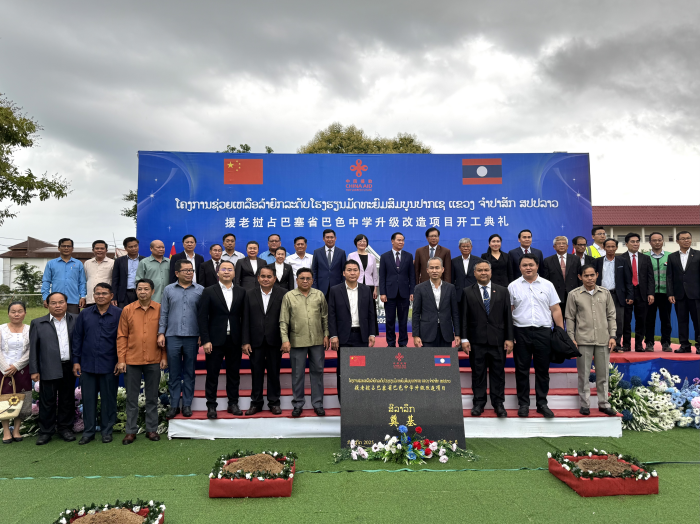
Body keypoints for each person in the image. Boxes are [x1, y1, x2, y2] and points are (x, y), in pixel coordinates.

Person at [508, 254, 564, 418]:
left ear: (537, 266)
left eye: (531, 265)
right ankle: (523, 404)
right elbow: (509, 312)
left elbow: (556, 309)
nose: (528, 268)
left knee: (542, 370)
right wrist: (510, 335)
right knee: (521, 370)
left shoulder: (547, 285)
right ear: (520, 268)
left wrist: (560, 332)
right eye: (524, 265)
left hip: (543, 332)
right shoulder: (513, 286)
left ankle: (542, 403)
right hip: (521, 332)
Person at [116, 279, 167, 445]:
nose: (142, 292)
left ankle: (152, 429)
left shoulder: (160, 309)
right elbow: (122, 336)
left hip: (154, 359)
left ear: (153, 291)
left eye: (146, 289)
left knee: (152, 397)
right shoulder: (127, 310)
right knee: (132, 398)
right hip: (132, 360)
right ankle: (130, 431)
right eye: (139, 289)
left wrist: (164, 357)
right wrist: (121, 360)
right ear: (136, 291)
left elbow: (165, 335)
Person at [460, 260, 513, 417]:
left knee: (498, 373)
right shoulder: (467, 291)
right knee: (478, 373)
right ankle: (479, 403)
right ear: (474, 273)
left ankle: (498, 404)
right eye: (480, 270)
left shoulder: (503, 291)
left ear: (491, 272)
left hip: (498, 340)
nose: (483, 273)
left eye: (486, 270)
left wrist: (509, 338)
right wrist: (464, 339)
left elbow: (508, 316)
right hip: (476, 341)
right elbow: (464, 317)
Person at [72, 283, 121, 444]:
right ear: (93, 296)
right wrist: (76, 361)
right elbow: (77, 338)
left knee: (109, 399)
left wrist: (120, 360)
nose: (100, 296)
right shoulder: (85, 314)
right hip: (87, 365)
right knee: (88, 400)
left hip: (110, 365)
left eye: (104, 293)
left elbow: (123, 339)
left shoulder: (119, 314)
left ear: (111, 296)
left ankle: (107, 431)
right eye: (97, 293)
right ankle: (88, 432)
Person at [566, 265, 618, 417]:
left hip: (603, 339)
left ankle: (604, 403)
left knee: (603, 374)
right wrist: (571, 338)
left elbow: (611, 315)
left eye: (592, 275)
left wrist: (613, 336)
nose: (589, 278)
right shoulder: (574, 294)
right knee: (584, 374)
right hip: (583, 340)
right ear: (580, 277)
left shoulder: (605, 293)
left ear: (597, 275)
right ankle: (585, 404)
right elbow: (570, 317)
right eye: (586, 275)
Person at [197, 260, 248, 418]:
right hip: (214, 341)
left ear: (234, 273)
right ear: (218, 272)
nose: (226, 272)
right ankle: (211, 405)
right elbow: (202, 317)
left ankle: (233, 403)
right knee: (212, 374)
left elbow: (245, 318)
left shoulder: (241, 291)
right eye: (223, 269)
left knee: (234, 374)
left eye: (230, 269)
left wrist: (245, 341)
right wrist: (205, 340)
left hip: (234, 340)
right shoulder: (208, 291)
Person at [29, 292, 78, 445]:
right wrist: (34, 370)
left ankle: (65, 428)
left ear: (66, 303)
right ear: (47, 305)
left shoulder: (76, 319)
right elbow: (33, 349)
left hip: (69, 366)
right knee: (47, 400)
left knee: (67, 399)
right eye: (54, 303)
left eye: (61, 302)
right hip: (48, 367)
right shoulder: (38, 323)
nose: (58, 306)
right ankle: (46, 431)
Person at [280, 268, 329, 417]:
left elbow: (325, 317)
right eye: (302, 278)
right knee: (297, 374)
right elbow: (283, 321)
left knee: (318, 372)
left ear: (312, 280)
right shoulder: (289, 296)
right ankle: (298, 404)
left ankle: (318, 404)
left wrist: (326, 334)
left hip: (317, 340)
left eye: (308, 278)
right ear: (297, 280)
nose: (305, 281)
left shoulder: (319, 295)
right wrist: (285, 340)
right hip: (297, 341)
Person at [158, 260, 204, 418]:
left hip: (192, 336)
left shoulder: (200, 290)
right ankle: (174, 405)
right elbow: (164, 312)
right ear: (177, 273)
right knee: (174, 373)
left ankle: (187, 405)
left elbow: (203, 315)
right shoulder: (168, 290)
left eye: (191, 270)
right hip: (173, 336)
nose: (189, 273)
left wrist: (202, 334)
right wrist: (161, 333)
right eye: (186, 270)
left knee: (190, 372)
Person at [328, 260, 377, 403]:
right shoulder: (335, 290)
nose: (352, 273)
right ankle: (343, 401)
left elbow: (371, 313)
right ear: (343, 273)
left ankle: (358, 401)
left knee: (359, 370)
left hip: (361, 336)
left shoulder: (365, 290)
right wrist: (333, 335)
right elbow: (331, 314)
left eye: (355, 270)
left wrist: (372, 333)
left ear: (359, 272)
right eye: (349, 270)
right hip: (343, 336)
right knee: (343, 370)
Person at [242, 266, 286, 415]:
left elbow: (287, 319)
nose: (266, 279)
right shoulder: (249, 294)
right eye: (263, 276)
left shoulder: (283, 294)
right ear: (258, 278)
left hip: (275, 340)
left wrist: (285, 340)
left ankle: (274, 402)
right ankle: (256, 403)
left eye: (269, 276)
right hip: (255, 341)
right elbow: (245, 319)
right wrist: (245, 341)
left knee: (274, 373)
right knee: (256, 373)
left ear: (274, 278)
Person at [594, 238, 633, 351]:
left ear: (616, 247)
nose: (610, 249)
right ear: (604, 247)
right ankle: (601, 343)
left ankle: (616, 343)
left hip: (617, 295)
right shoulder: (597, 262)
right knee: (600, 319)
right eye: (608, 246)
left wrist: (630, 295)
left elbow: (628, 280)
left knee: (618, 320)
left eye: (613, 246)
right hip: (600, 294)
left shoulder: (623, 261)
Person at [412, 258, 460, 348]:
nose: (434, 271)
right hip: (427, 333)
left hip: (446, 333)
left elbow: (455, 313)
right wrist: (416, 335)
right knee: (427, 357)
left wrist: (457, 334)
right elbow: (416, 313)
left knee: (444, 357)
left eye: (437, 268)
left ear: (442, 269)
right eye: (431, 268)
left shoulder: (450, 288)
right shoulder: (419, 288)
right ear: (427, 270)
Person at [1, 302, 31, 443]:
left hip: (23, 370)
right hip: (3, 371)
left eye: (20, 311)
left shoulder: (30, 329)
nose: (16, 314)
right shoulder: (1, 329)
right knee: (4, 399)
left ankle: (17, 429)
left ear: (25, 313)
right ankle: (6, 431)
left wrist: (17, 366)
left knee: (21, 398)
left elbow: (31, 350)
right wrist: (5, 368)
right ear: (8, 313)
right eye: (13, 311)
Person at [379, 232, 415, 347]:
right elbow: (382, 276)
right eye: (399, 240)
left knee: (403, 320)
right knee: (390, 320)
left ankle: (403, 343)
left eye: (403, 240)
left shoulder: (408, 256)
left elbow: (412, 276)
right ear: (392, 241)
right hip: (389, 294)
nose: (401, 242)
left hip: (404, 293)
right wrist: (382, 293)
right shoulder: (385, 256)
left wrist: (412, 291)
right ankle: (391, 343)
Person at [667, 231, 700, 354]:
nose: (686, 240)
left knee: (698, 321)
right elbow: (669, 277)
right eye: (683, 238)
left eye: (688, 238)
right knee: (682, 321)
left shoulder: (698, 254)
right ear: (677, 241)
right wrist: (670, 293)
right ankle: (684, 345)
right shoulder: (672, 257)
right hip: (679, 295)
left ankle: (699, 345)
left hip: (696, 295)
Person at [621, 233, 655, 352]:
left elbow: (650, 277)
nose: (635, 244)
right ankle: (626, 344)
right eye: (632, 241)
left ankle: (639, 344)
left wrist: (651, 293)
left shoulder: (645, 258)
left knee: (641, 320)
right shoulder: (621, 258)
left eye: (637, 241)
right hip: (627, 293)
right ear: (626, 244)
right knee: (626, 320)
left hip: (642, 293)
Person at [41, 238, 87, 314]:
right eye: (63, 246)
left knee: (73, 321)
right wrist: (46, 297)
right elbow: (46, 281)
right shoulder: (51, 264)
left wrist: (83, 297)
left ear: (72, 248)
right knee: (56, 320)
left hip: (73, 300)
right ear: (59, 248)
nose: (66, 248)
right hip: (56, 301)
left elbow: (82, 282)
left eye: (68, 246)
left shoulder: (78, 264)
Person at [645, 232, 673, 352]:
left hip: (666, 294)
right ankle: (649, 343)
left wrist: (671, 293)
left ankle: (666, 343)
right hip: (650, 294)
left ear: (663, 241)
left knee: (666, 320)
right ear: (650, 242)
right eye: (654, 240)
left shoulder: (670, 256)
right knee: (649, 320)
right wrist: (648, 292)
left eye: (659, 240)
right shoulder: (645, 257)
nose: (657, 242)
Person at [541, 236, 581, 313]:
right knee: (558, 317)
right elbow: (546, 280)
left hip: (573, 293)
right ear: (554, 247)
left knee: (573, 317)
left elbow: (579, 277)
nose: (562, 245)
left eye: (564, 243)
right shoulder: (548, 261)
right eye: (559, 244)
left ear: (567, 246)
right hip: (555, 295)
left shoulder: (575, 259)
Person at [312, 229, 346, 296]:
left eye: (332, 237)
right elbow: (314, 271)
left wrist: (343, 287)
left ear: (335, 238)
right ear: (323, 239)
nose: (330, 239)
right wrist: (315, 287)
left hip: (337, 286)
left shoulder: (341, 252)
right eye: (327, 237)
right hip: (321, 287)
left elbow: (344, 271)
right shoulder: (317, 252)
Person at [112, 237, 144, 308]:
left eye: (135, 246)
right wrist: (114, 297)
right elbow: (115, 280)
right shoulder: (119, 261)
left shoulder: (144, 260)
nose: (134, 248)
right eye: (130, 247)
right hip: (124, 294)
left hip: (140, 292)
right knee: (123, 313)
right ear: (125, 248)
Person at [347, 234, 378, 299]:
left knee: (369, 303)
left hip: (369, 285)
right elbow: (348, 272)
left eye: (364, 241)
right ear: (356, 243)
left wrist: (375, 289)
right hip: (355, 285)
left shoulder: (372, 257)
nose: (362, 243)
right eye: (360, 241)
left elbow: (375, 274)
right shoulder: (351, 256)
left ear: (367, 243)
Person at [84, 240, 114, 306]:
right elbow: (85, 280)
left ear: (106, 250)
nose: (99, 250)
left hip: (106, 299)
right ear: (93, 250)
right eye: (97, 248)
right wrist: (83, 296)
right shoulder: (87, 263)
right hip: (90, 299)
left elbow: (114, 281)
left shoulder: (112, 263)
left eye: (102, 248)